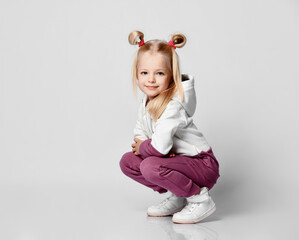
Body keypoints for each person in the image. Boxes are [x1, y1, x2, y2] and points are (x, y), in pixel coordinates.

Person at [119, 30, 220, 224]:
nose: (150, 79)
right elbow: (140, 131)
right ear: (137, 74)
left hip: (202, 165)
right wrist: (147, 145)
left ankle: (200, 199)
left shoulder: (172, 105)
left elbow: (159, 147)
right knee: (128, 162)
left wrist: (148, 148)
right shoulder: (147, 102)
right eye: (144, 73)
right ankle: (179, 195)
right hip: (178, 162)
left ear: (171, 76)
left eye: (159, 73)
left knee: (149, 165)